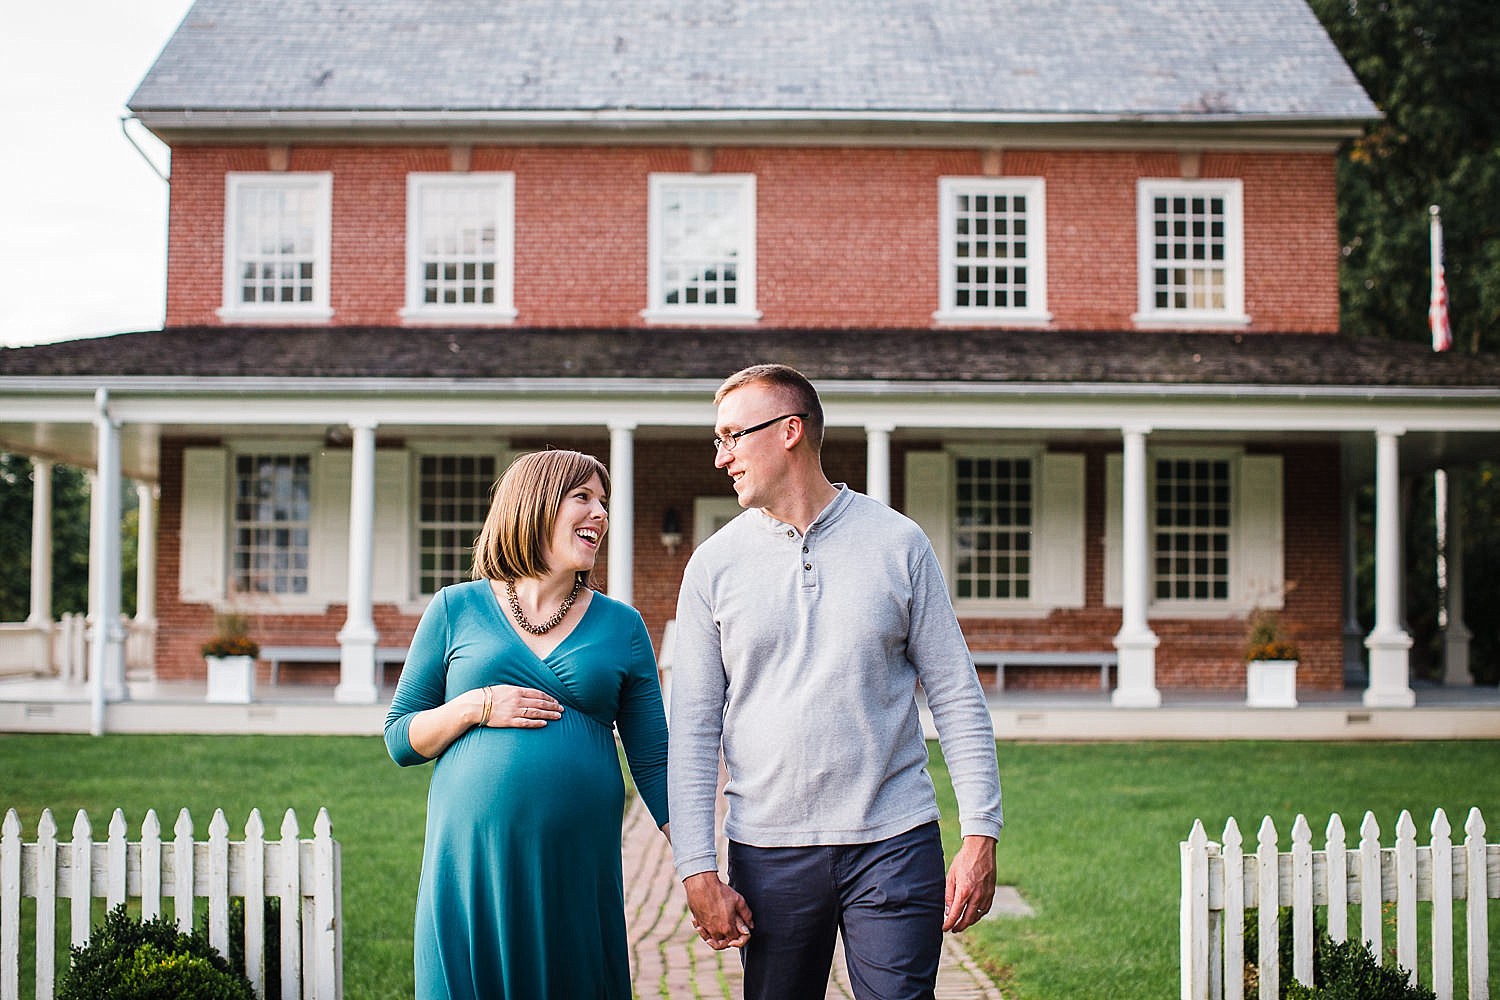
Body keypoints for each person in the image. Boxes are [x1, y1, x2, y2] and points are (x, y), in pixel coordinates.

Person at [668, 364, 1003, 999]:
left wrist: (980, 834)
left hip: (894, 842)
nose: (722, 457)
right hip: (769, 851)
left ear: (790, 431)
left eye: (732, 436)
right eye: (719, 440)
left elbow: (956, 694)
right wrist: (697, 870)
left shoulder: (899, 543)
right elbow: (691, 727)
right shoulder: (713, 566)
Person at [385, 449, 669, 1000]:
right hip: (471, 863)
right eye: (582, 498)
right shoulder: (454, 609)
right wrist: (476, 706)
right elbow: (401, 739)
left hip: (576, 864)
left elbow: (655, 761)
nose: (600, 515)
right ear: (534, 505)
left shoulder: (623, 625)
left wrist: (700, 869)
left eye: (603, 503)